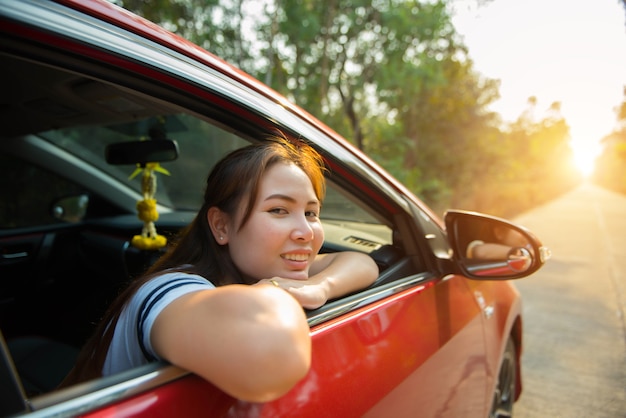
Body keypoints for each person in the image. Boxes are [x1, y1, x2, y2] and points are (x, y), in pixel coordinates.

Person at [60, 135, 378, 402]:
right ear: (221, 225)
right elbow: (272, 354)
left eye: (311, 213)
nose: (306, 232)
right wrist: (278, 291)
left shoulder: (269, 264)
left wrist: (317, 288)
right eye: (279, 210)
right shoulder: (170, 291)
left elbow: (361, 262)